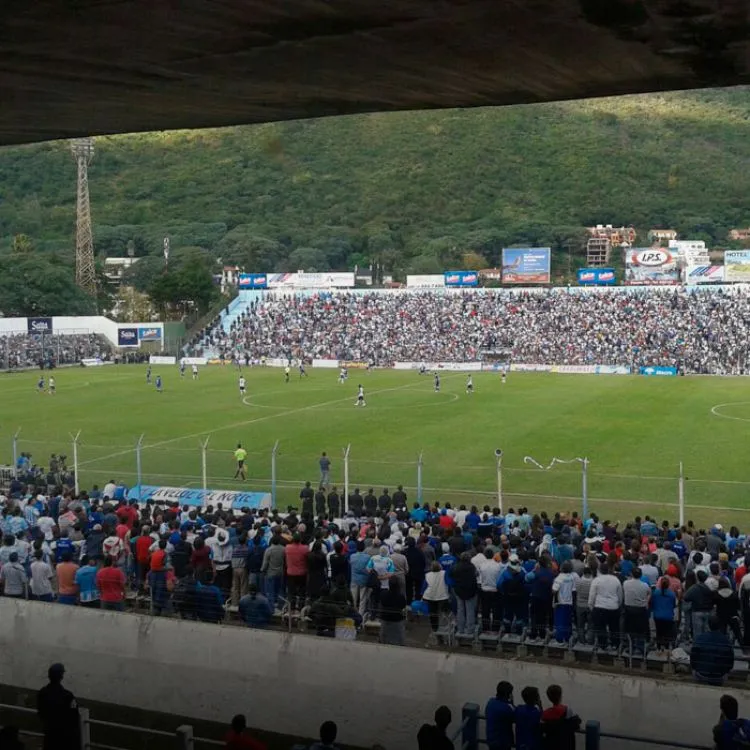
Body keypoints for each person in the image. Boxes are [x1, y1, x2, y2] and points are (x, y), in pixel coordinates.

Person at [37, 663, 80, 750]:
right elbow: (74, 717)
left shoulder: (43, 693)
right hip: (64, 737)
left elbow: (41, 712)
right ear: (61, 676)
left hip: (49, 733)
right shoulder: (68, 695)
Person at [691, 615, 735, 685]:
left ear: (708, 625)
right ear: (720, 625)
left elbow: (693, 658)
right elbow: (730, 662)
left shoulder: (700, 638)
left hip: (701, 674)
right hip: (719, 676)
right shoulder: (726, 640)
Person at [541, 685, 580, 750]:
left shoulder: (545, 713)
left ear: (549, 698)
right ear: (560, 696)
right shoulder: (567, 710)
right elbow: (574, 725)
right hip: (565, 744)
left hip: (552, 745)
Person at [485, 681, 515, 750]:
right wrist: (511, 702)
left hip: (491, 740)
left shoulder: (490, 702)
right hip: (503, 743)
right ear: (508, 694)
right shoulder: (507, 708)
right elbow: (516, 716)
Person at [650, 576, 677, 652]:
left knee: (659, 631)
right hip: (668, 616)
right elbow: (674, 605)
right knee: (667, 632)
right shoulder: (672, 594)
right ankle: (666, 647)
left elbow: (652, 603)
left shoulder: (655, 592)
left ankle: (658, 647)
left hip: (657, 615)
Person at [423, 561, 450, 632]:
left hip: (430, 596)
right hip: (442, 596)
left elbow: (424, 587)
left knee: (433, 613)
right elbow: (449, 582)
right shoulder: (444, 573)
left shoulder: (427, 575)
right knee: (444, 612)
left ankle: (434, 629)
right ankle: (444, 627)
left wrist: (422, 595)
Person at [379, 577, 407, 645]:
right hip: (397, 619)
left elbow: (381, 603)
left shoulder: (383, 594)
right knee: (400, 640)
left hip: (385, 618)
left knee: (384, 639)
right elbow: (403, 605)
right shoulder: (401, 597)